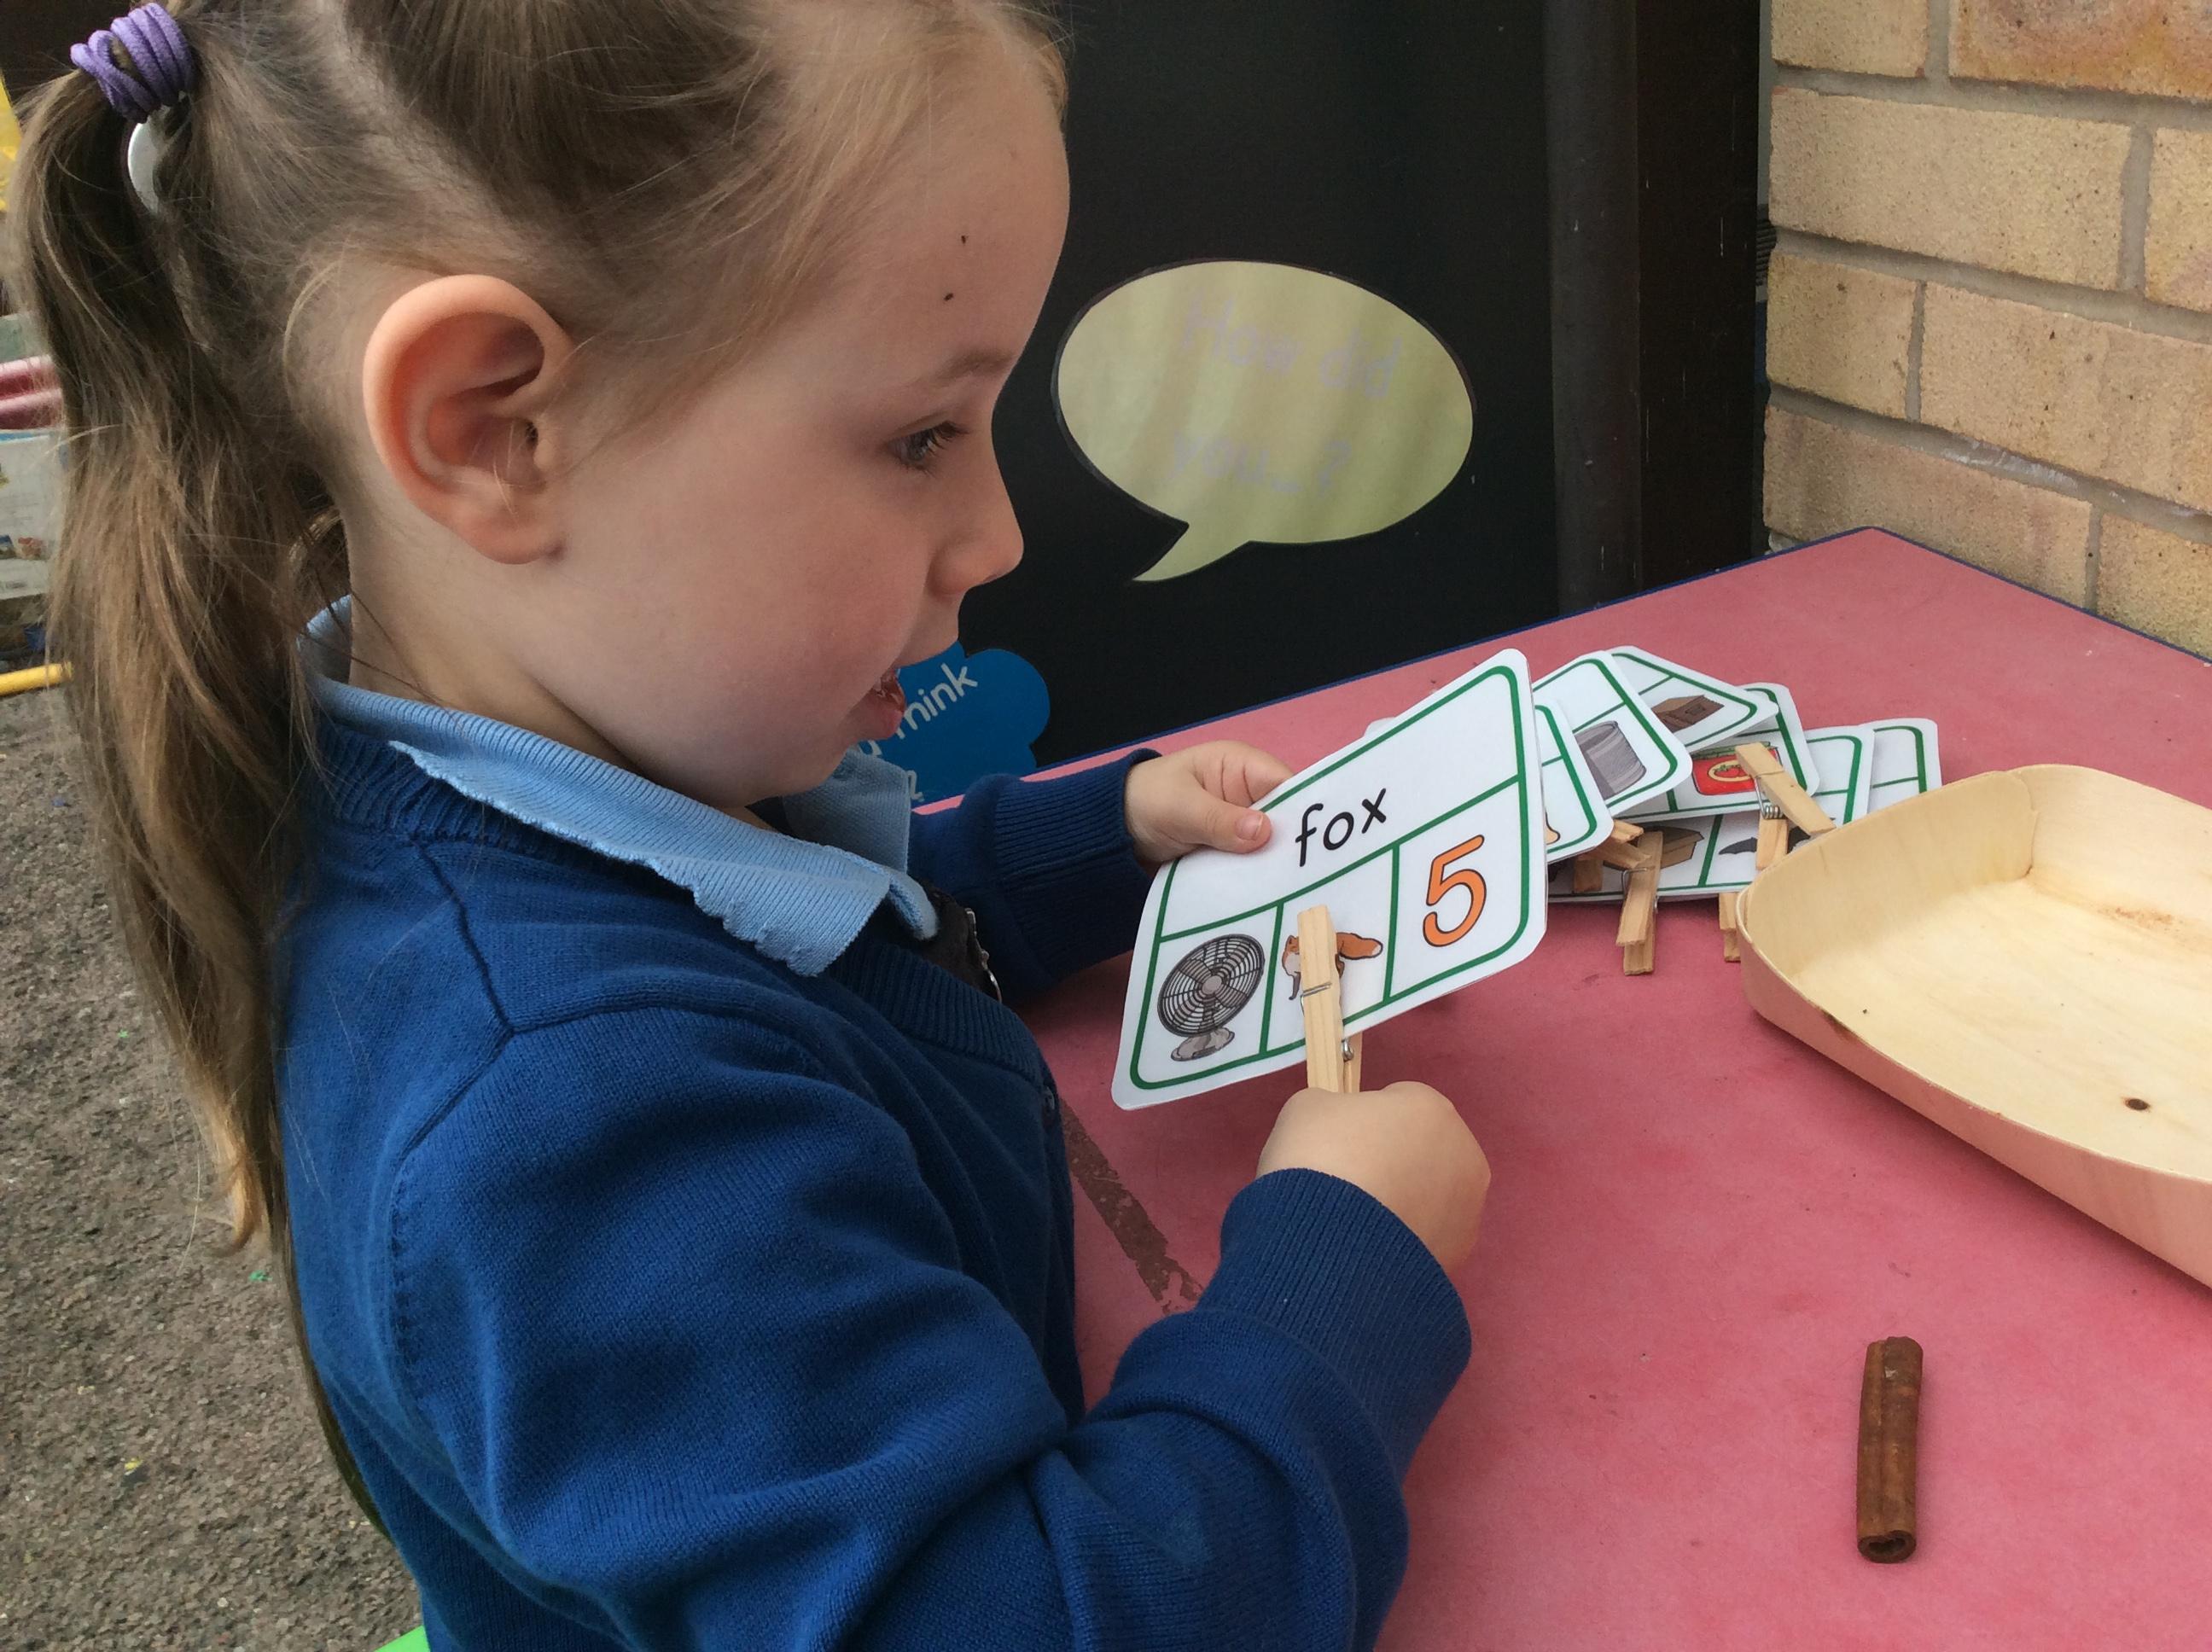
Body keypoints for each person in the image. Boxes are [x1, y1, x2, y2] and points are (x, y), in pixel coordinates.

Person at [15, 3, 1493, 1646]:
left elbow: (788, 939)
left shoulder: (496, 766)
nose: (997, 534)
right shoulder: (579, 1134)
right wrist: (1338, 1281)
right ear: (495, 429)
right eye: (922, 435)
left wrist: (1097, 842)